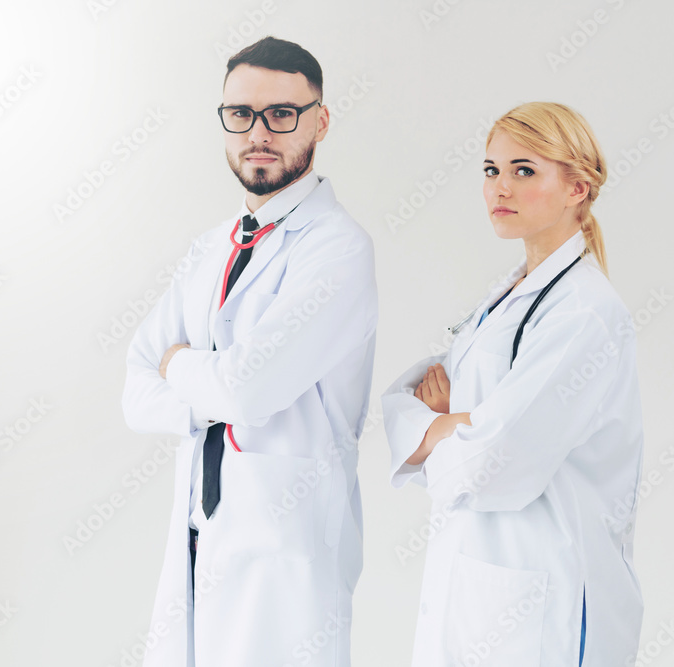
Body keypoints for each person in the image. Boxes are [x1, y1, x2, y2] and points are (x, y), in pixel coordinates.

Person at [123, 36, 377, 667]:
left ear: (320, 119)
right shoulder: (211, 248)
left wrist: (180, 365)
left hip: (286, 544)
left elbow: (248, 389)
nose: (259, 132)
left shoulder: (338, 249)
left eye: (282, 114)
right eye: (241, 114)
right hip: (196, 533)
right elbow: (135, 392)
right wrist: (207, 393)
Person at [381, 102, 644, 666]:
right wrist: (462, 425)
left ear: (578, 187)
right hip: (483, 587)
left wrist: (455, 427)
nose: (500, 186)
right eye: (491, 169)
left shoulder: (585, 313)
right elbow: (404, 400)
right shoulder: (507, 298)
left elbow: (494, 463)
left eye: (524, 170)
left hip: (547, 598)